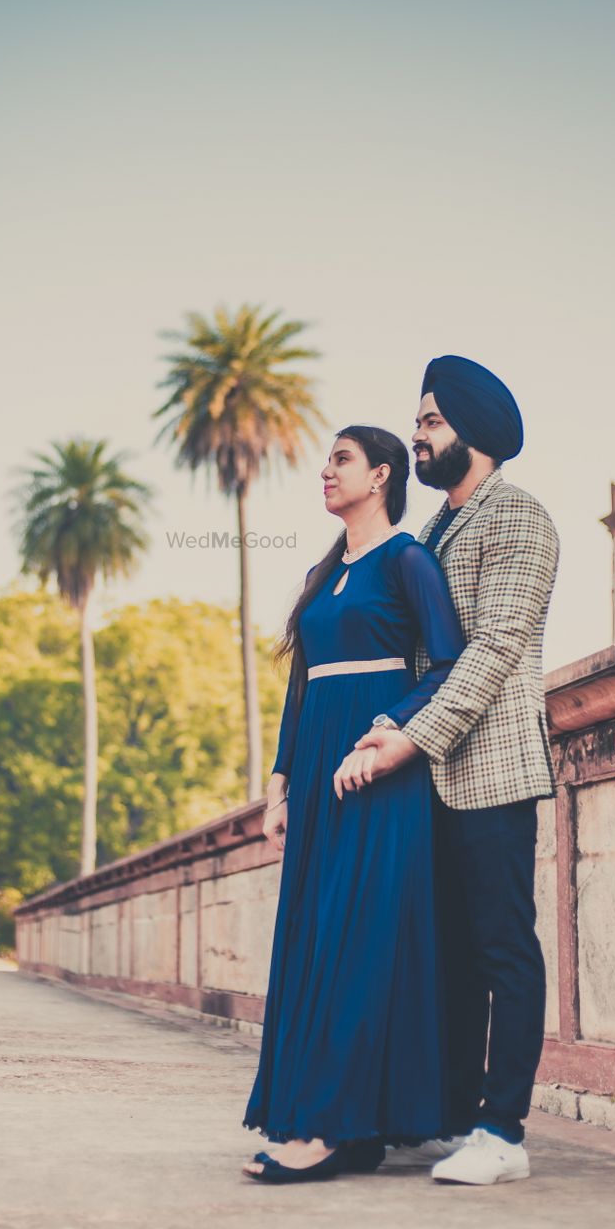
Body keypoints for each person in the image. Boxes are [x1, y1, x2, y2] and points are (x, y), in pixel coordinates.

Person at [337, 355, 559, 1186]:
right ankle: (455, 1117)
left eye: (430, 422)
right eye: (420, 422)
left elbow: (497, 650)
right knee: (452, 955)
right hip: (425, 777)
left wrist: (410, 736)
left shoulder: (520, 518)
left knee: (504, 950)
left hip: (491, 769)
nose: (419, 435)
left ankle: (503, 1134)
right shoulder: (427, 533)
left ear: (475, 431)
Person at [241, 424, 465, 1183]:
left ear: (381, 475)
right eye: (326, 460)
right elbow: (300, 688)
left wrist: (388, 732)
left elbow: (449, 667)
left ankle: (329, 1129)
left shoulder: (410, 560)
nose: (325, 471)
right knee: (313, 940)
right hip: (317, 774)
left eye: (340, 460)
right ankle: (354, 1125)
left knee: (360, 940)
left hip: (376, 770)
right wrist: (280, 788)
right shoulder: (322, 570)